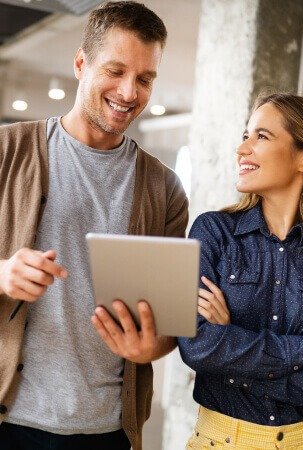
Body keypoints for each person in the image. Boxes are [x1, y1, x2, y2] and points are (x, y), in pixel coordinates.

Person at [0, 2, 188, 450]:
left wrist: (151, 349)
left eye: (145, 79)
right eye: (116, 71)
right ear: (81, 63)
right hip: (11, 419)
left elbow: (167, 326)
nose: (129, 92)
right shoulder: (8, 152)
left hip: (107, 430)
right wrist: (2, 271)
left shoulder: (165, 188)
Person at [178, 92, 303, 449]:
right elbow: (197, 346)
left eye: (262, 136)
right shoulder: (213, 233)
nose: (242, 150)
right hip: (220, 441)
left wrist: (233, 358)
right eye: (245, 136)